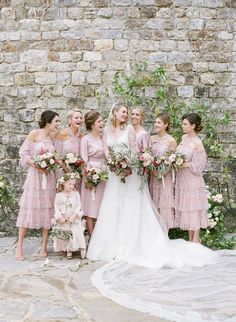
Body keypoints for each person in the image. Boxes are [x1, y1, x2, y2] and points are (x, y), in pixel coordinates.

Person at [87, 103, 216, 268]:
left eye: (128, 113)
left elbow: (134, 151)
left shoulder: (129, 130)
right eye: (124, 112)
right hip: (113, 174)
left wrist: (126, 165)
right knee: (113, 207)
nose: (126, 115)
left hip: (129, 172)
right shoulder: (105, 132)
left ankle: (129, 245)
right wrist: (112, 163)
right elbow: (106, 149)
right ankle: (110, 246)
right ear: (115, 113)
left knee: (130, 206)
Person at [15, 110, 60, 260]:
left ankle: (43, 247)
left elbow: (55, 157)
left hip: (49, 177)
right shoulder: (35, 134)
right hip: (35, 177)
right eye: (56, 121)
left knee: (48, 210)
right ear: (48, 122)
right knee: (29, 208)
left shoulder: (53, 137)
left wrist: (51, 164)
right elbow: (23, 152)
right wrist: (36, 164)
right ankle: (19, 246)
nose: (58, 124)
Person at [175, 113, 209, 243]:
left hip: (193, 179)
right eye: (182, 123)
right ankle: (190, 239)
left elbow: (199, 166)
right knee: (188, 209)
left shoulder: (197, 143)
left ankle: (195, 240)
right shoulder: (184, 138)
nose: (182, 126)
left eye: (185, 124)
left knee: (194, 208)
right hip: (182, 180)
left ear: (193, 126)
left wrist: (181, 164)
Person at [80, 111, 106, 235]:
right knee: (90, 206)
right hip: (90, 174)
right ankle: (92, 237)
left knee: (101, 206)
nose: (102, 123)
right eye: (99, 121)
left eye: (102, 121)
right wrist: (87, 178)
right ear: (92, 124)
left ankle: (101, 237)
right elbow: (83, 160)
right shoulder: (85, 139)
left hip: (103, 175)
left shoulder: (103, 138)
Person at [149, 113, 177, 230]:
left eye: (159, 122)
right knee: (154, 204)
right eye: (155, 122)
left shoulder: (171, 141)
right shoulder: (151, 139)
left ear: (166, 125)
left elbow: (174, 160)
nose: (156, 124)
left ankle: (165, 234)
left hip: (166, 177)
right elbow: (147, 156)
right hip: (153, 176)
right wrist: (152, 170)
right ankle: (155, 234)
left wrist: (165, 170)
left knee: (165, 204)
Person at [51, 173, 86, 259]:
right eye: (69, 184)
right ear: (63, 183)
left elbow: (79, 205)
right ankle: (69, 250)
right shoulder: (58, 195)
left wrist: (74, 215)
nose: (71, 186)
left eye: (73, 184)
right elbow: (56, 207)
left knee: (77, 232)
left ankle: (82, 248)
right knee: (67, 233)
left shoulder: (76, 194)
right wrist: (60, 217)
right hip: (64, 217)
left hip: (74, 217)